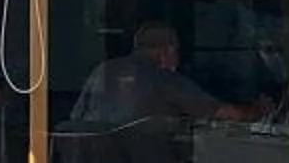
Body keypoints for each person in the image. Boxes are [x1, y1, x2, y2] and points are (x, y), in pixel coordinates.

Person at [71, 20, 266, 127]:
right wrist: (259, 110)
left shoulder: (103, 70)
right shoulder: (164, 79)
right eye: (178, 52)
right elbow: (224, 114)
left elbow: (76, 117)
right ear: (169, 51)